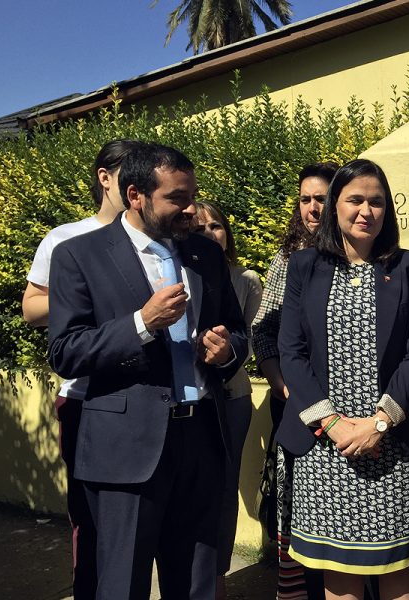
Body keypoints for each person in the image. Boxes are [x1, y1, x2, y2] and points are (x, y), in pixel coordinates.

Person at [47, 142, 248, 600]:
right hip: (126, 450)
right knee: (122, 583)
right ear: (136, 194)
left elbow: (236, 331)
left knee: (196, 582)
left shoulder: (204, 253)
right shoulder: (78, 255)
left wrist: (225, 351)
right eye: (177, 198)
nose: (191, 208)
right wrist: (141, 323)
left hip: (201, 441)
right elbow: (65, 351)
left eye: (192, 195)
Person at [277, 158, 409, 599]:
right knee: (338, 574)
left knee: (395, 569)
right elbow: (292, 351)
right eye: (355, 200)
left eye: (377, 202)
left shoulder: (406, 267)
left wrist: (379, 422)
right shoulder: (305, 266)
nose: (367, 211)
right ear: (334, 206)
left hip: (389, 446)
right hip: (324, 447)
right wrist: (333, 425)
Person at [21, 138, 140, 600]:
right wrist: (96, 297)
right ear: (105, 177)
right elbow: (31, 307)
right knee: (88, 521)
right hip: (85, 396)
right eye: (128, 170)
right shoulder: (65, 238)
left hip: (145, 398)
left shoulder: (158, 241)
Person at [252, 161, 338, 600]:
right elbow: (263, 329)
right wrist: (283, 384)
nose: (310, 208)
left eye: (319, 198)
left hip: (351, 414)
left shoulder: (360, 255)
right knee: (294, 520)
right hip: (297, 411)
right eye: (304, 199)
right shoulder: (286, 259)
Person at [191, 200, 263, 599]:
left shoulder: (245, 279)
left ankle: (217, 576)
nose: (209, 234)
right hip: (194, 397)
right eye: (200, 228)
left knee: (224, 488)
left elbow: (247, 339)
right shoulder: (182, 268)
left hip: (232, 394)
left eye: (216, 226)